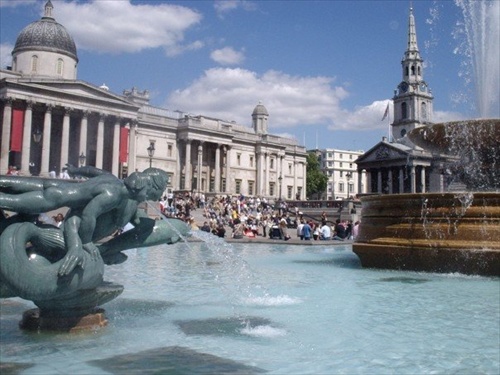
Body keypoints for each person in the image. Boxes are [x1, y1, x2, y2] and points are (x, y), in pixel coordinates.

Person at [0, 164, 189, 276]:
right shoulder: (114, 195)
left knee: (6, 183)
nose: (152, 200)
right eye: (152, 195)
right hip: (51, 199)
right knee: (9, 199)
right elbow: (87, 215)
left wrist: (76, 169)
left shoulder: (116, 185)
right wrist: (86, 243)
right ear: (145, 189)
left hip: (57, 187)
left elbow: (93, 171)